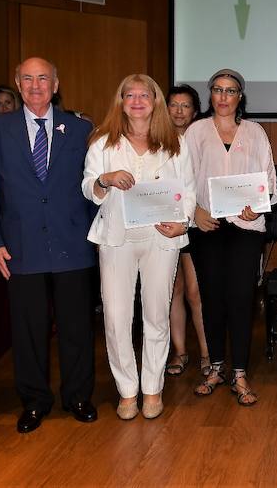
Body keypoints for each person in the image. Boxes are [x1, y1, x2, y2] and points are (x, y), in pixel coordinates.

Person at [0, 56, 97, 433]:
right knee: (28, 329)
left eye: (43, 78)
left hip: (72, 242)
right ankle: (34, 400)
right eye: (27, 79)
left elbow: (92, 188)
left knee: (76, 326)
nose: (35, 85)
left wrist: (97, 237)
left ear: (56, 84)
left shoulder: (80, 129)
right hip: (20, 245)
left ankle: (77, 395)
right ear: (17, 83)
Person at [83, 74, 195, 420]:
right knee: (116, 318)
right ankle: (127, 390)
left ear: (155, 101)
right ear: (120, 102)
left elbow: (188, 190)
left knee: (157, 315)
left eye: (143, 95)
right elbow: (88, 187)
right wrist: (106, 179)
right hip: (116, 238)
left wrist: (184, 221)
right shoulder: (103, 143)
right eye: (128, 95)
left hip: (161, 238)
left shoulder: (176, 142)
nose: (135, 100)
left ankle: (152, 389)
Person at [184, 69, 277, 406]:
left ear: (241, 97)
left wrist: (259, 206)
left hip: (245, 228)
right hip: (206, 227)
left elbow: (268, 181)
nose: (224, 96)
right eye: (218, 90)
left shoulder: (255, 132)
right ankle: (215, 368)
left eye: (231, 91)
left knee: (241, 299)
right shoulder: (195, 132)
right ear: (210, 95)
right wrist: (194, 211)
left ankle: (239, 372)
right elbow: (182, 180)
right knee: (211, 298)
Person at [164, 84, 210, 378]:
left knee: (196, 292)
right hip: (165, 224)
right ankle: (179, 352)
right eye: (174, 105)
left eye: (185, 106)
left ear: (195, 111)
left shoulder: (202, 140)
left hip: (194, 223)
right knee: (173, 290)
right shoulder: (155, 140)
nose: (179, 111)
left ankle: (207, 353)